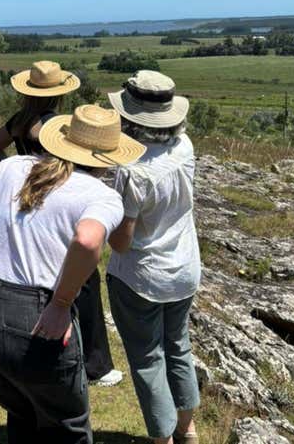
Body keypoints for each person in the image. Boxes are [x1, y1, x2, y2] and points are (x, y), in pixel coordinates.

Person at [0, 105, 146, 444]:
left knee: (23, 415)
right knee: (68, 428)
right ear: (107, 157)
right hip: (37, 317)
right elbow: (88, 239)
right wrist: (62, 303)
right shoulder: (102, 196)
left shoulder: (14, 167)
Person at [0, 60, 124, 388]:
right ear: (60, 94)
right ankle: (96, 364)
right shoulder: (57, 126)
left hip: (30, 201)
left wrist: (15, 176)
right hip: (62, 202)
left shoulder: (19, 121)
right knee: (85, 283)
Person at [106, 70, 201, 444]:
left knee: (148, 359)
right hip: (184, 267)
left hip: (142, 276)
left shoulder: (132, 169)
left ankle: (161, 439)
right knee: (179, 347)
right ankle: (187, 430)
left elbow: (122, 242)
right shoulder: (186, 147)